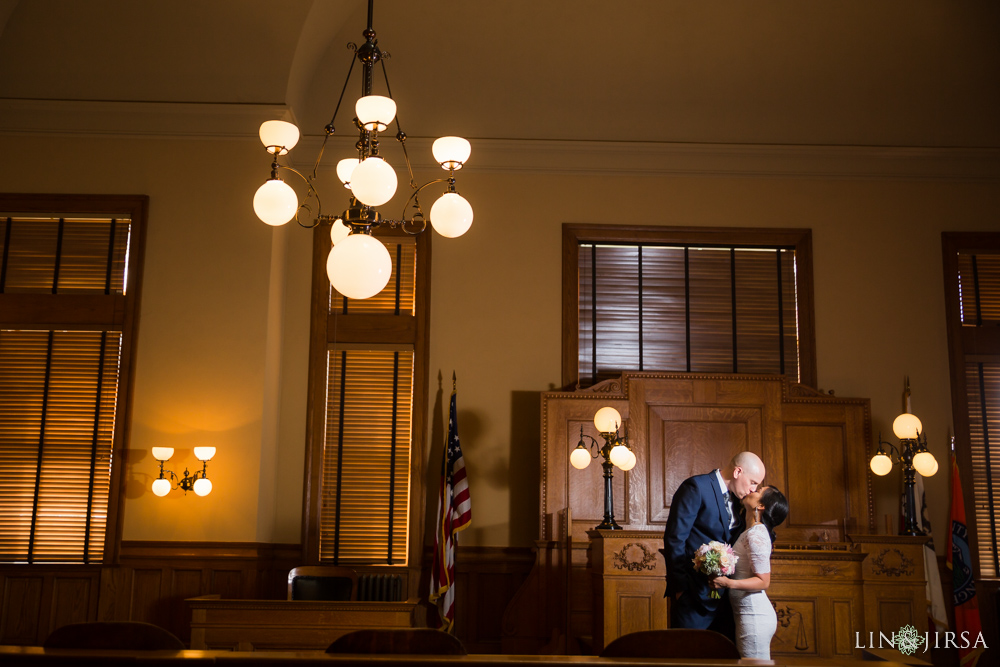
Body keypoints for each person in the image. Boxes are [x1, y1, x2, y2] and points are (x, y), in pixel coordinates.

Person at [661, 451, 765, 643]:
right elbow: (674, 539)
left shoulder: (738, 500)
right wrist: (681, 589)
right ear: (737, 472)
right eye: (752, 482)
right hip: (692, 596)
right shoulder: (696, 487)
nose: (753, 489)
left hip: (726, 599)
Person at [710, 485, 789, 659]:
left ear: (761, 506)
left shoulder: (756, 534)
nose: (751, 490)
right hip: (747, 613)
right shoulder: (751, 531)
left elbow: (763, 581)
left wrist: (728, 583)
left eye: (758, 491)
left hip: (754, 615)